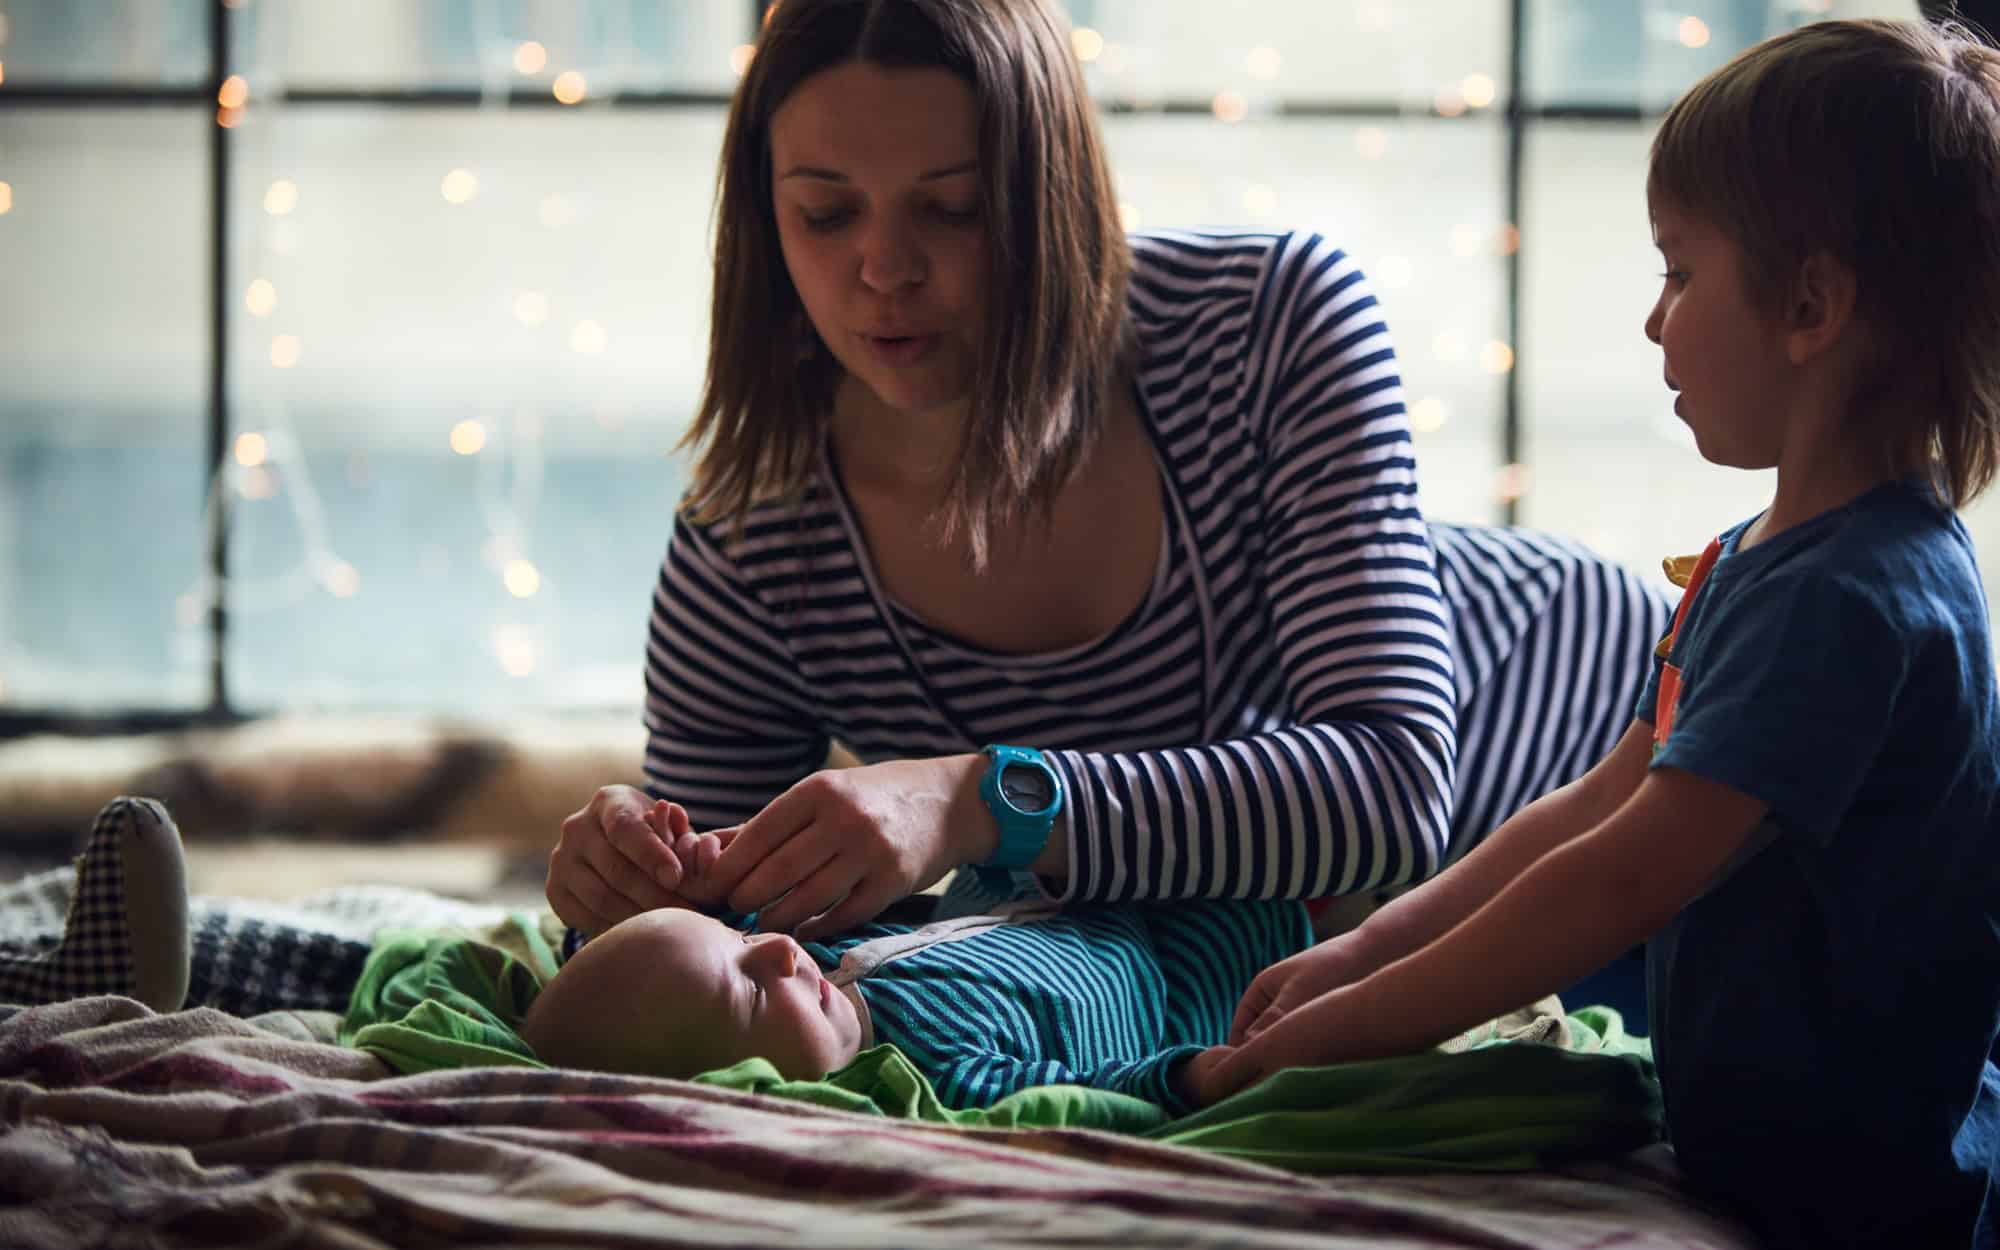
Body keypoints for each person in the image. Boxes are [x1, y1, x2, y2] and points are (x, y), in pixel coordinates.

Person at [543, 0, 1671, 978]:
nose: (883, 267)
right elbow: (716, 927)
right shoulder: (752, 534)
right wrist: (635, 885)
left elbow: (1390, 792)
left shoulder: (1268, 322)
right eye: (825, 212)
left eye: (953, 207)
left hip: (1657, 759)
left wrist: (972, 800)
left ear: (1047, 194)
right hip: (1407, 942)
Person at [1191, 19, 2000, 1250]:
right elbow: (1592, 804)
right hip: (1761, 1148)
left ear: (1807, 303)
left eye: (1678, 272)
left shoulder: (1847, 600)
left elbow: (1617, 879)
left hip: (1869, 1195)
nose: (1650, 320)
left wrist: (1333, 1037)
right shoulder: (1765, 554)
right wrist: (1362, 945)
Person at [524, 828, 1309, 1113]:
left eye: (738, 942)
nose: (777, 952)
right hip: (1172, 973)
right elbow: (1080, 1099)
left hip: (1061, 885)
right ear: (737, 1086)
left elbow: (626, 975)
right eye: (748, 987)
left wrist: (670, 878)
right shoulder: (935, 1079)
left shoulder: (820, 957)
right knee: (1269, 907)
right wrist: (1193, 1079)